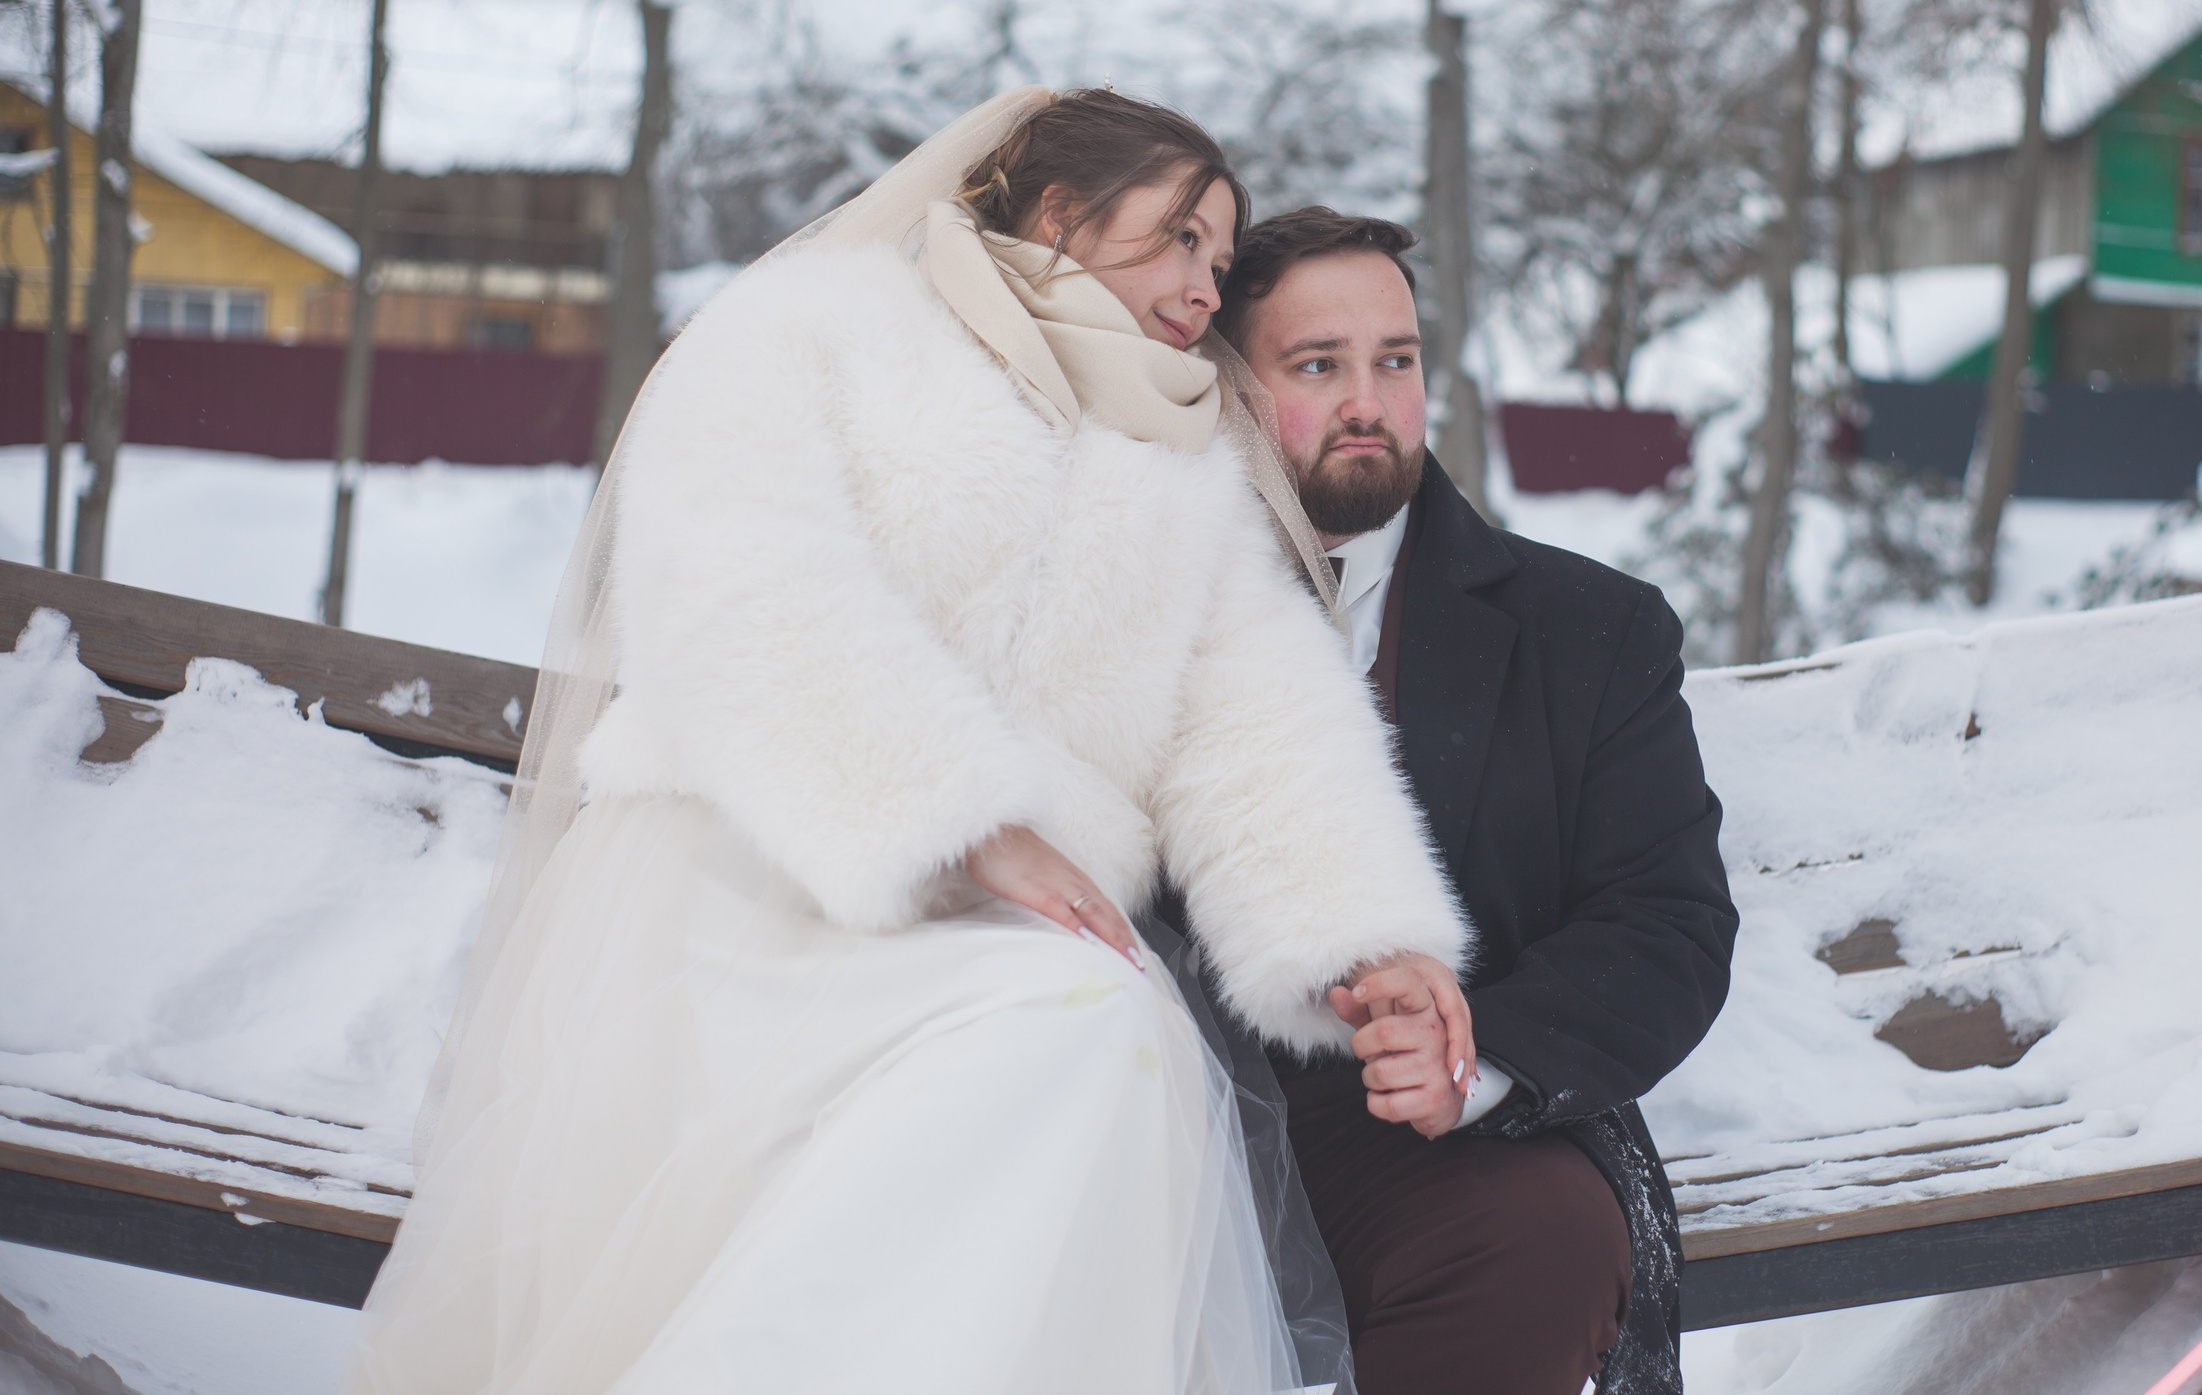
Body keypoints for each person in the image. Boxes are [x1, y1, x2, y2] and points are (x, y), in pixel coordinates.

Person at [342, 92, 1475, 1395]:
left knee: (1102, 1026)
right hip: (742, 891)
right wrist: (966, 820)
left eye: (1222, 259)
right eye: (1180, 238)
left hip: (1006, 945)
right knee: (1080, 1025)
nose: (1204, 285)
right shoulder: (815, 332)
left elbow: (1254, 718)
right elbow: (736, 585)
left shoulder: (1177, 458)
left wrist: (1366, 939)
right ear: (1058, 212)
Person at [1214, 207, 1739, 1395]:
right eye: (1317, 365)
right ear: (1226, 387)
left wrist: (1472, 1061)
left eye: (1394, 361)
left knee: (1538, 1244)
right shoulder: (1140, 608)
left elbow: (1665, 925)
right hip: (1159, 1103)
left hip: (1424, 1134)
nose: (1369, 401)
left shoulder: (1587, 631)